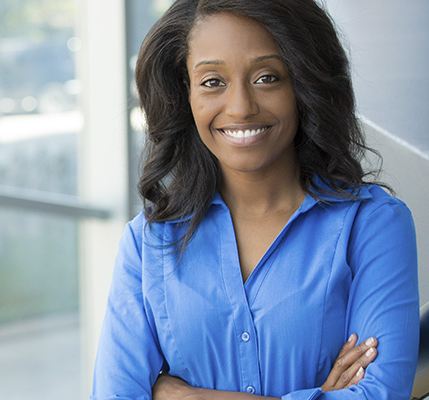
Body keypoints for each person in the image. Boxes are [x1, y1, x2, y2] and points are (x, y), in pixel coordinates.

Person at [89, 0, 419, 399]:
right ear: (185, 92)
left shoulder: (373, 225)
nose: (241, 107)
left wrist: (186, 396)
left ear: (303, 83)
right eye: (212, 81)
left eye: (267, 77)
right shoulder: (148, 243)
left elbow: (379, 395)